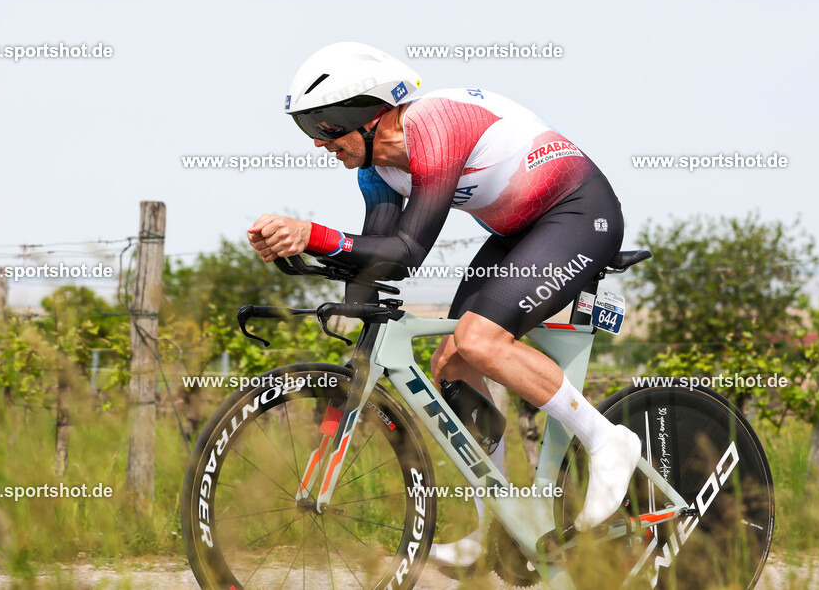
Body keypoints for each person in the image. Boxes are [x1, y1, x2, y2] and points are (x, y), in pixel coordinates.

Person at [248, 42, 641, 567]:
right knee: (451, 361)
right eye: (308, 130)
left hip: (577, 212)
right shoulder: (376, 171)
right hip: (519, 231)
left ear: (368, 116)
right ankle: (500, 522)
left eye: (325, 127)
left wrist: (313, 233)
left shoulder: (434, 128)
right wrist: (346, 333)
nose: (320, 144)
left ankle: (607, 441)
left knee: (479, 340)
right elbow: (379, 263)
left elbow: (409, 251)